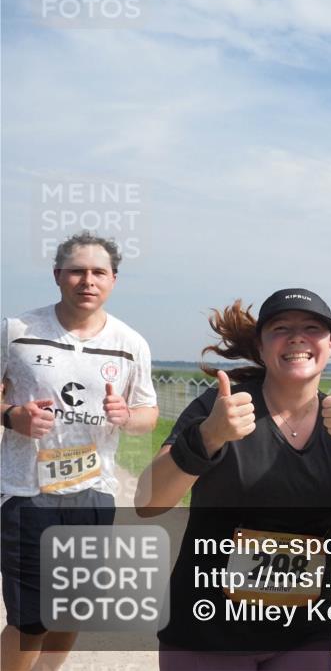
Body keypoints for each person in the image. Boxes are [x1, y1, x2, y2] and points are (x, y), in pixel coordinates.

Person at [136, 287, 331, 671]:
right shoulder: (219, 410)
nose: (297, 337)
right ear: (260, 347)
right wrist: (207, 437)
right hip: (208, 630)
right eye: (280, 328)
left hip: (303, 632)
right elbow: (147, 501)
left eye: (312, 328)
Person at [1, 231, 159, 671]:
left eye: (98, 272)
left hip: (93, 492)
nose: (87, 280)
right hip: (26, 492)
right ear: (58, 276)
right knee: (31, 619)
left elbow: (148, 413)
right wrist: (12, 415)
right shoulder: (16, 332)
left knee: (71, 609)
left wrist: (127, 415)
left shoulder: (132, 344)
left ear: (113, 280)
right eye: (76, 271)